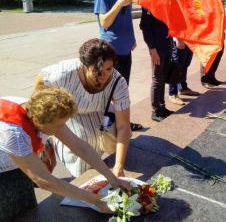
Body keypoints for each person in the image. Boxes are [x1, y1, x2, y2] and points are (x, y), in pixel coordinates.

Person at [0, 86, 131, 220]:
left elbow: (80, 147)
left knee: (28, 210)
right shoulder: (14, 134)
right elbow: (44, 181)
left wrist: (113, 178)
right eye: (57, 126)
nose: (60, 129)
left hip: (17, 157)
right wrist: (97, 201)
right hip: (3, 171)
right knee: (13, 214)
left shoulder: (44, 110)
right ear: (39, 122)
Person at [34, 39, 132, 178]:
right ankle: (79, 177)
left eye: (108, 69)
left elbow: (124, 126)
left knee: (117, 136)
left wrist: (119, 167)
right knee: (85, 139)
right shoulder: (63, 74)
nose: (104, 76)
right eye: (97, 71)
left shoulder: (118, 81)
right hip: (70, 111)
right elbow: (41, 83)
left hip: (97, 110)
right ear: (85, 66)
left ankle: (91, 169)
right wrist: (48, 128)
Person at [94, 0, 136, 86]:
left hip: (126, 50)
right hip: (111, 51)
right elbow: (104, 23)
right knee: (109, 90)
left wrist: (132, 39)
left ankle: (121, 107)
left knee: (123, 87)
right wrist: (119, 3)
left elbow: (126, 19)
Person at [139, 7, 174, 122]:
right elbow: (146, 29)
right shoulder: (149, 4)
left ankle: (162, 106)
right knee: (157, 79)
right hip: (157, 49)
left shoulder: (166, 3)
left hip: (166, 46)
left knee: (162, 78)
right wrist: (152, 50)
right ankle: (155, 110)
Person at [200, 0, 226, 88]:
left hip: (219, 32)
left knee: (218, 54)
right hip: (209, 32)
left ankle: (211, 77)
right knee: (208, 56)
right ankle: (205, 79)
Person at [168, 38, 200, 106]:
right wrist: (178, 39)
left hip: (189, 38)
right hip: (179, 38)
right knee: (176, 66)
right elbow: (173, 27)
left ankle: (183, 88)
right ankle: (172, 94)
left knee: (185, 64)